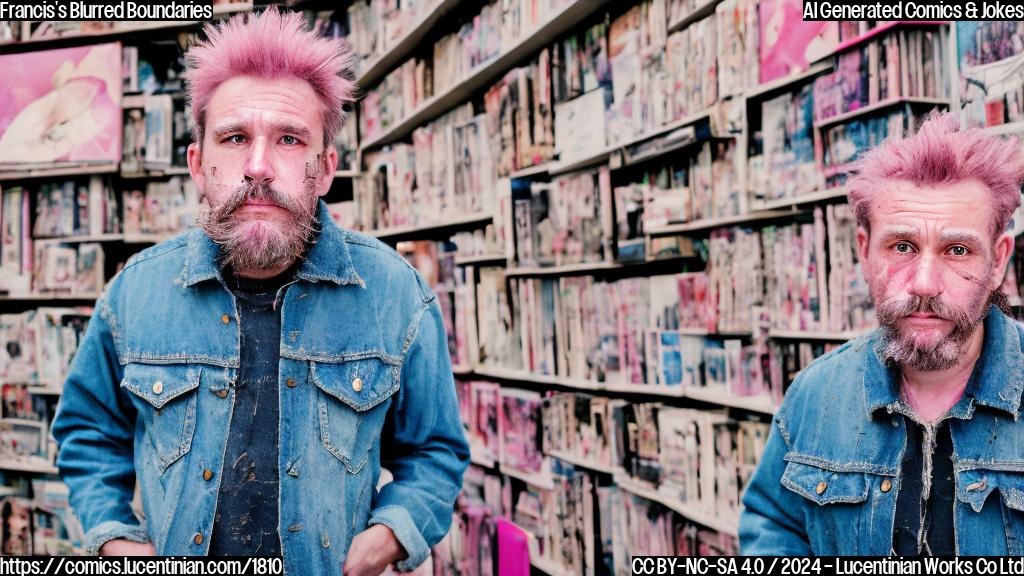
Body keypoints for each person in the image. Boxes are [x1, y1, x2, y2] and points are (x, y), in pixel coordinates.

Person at [50, 8, 469, 574]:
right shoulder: (134, 294)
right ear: (199, 164)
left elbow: (434, 453)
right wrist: (116, 544)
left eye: (289, 139)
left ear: (324, 169)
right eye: (235, 137)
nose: (258, 166)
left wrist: (387, 537)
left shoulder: (396, 296)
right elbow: (88, 432)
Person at [739, 112, 1024, 555]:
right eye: (903, 247)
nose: (925, 283)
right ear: (864, 252)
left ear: (998, 260)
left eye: (958, 250)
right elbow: (773, 527)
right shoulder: (816, 395)